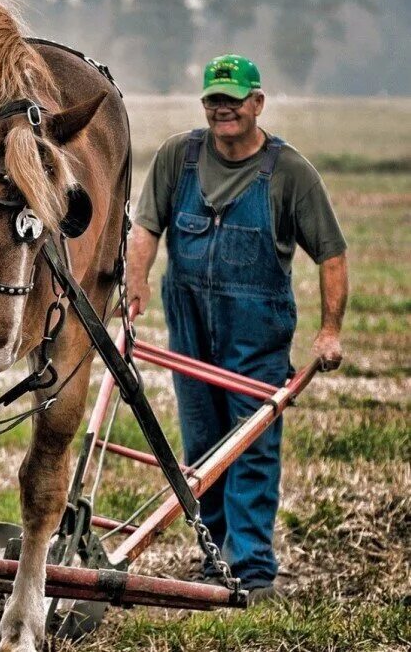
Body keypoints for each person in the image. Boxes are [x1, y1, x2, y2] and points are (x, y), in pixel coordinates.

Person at [125, 53, 349, 600]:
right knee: (204, 444)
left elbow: (333, 255)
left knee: (250, 444)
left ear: (257, 103)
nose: (223, 110)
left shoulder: (289, 172)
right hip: (189, 320)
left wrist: (329, 331)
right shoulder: (180, 157)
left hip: (256, 327)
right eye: (213, 100)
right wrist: (136, 283)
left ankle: (251, 567)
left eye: (233, 100)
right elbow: (146, 227)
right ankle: (213, 558)